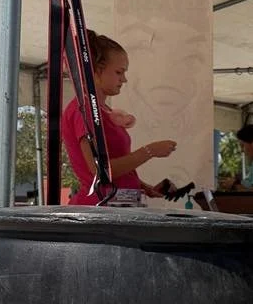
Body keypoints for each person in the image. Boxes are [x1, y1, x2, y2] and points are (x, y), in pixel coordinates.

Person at [60, 30, 177, 205]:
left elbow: (113, 168)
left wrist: (142, 186)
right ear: (96, 70)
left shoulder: (102, 109)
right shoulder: (84, 108)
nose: (124, 79)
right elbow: (100, 170)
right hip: (101, 208)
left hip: (114, 205)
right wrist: (150, 151)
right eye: (119, 72)